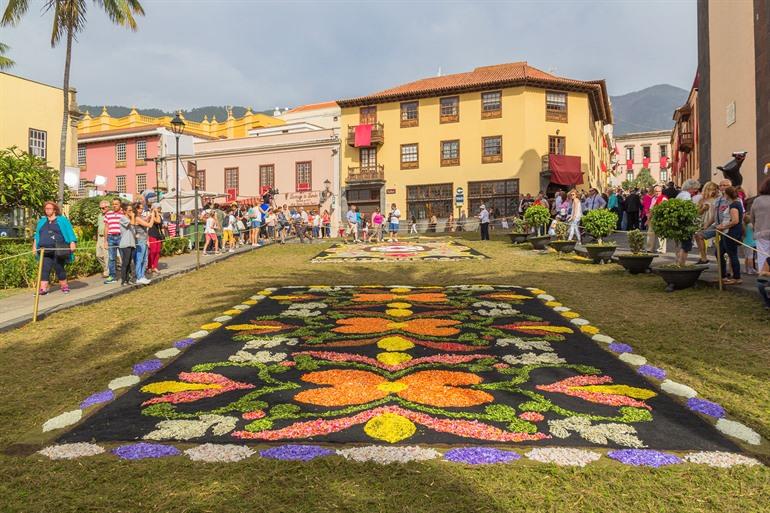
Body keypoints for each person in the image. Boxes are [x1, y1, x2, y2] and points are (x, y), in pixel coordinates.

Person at [32, 201, 77, 295]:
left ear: (55, 210)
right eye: (46, 208)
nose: (47, 210)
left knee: (59, 267)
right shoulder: (42, 221)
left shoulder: (62, 220)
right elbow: (37, 235)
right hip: (44, 250)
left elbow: (69, 231)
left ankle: (64, 286)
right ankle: (43, 289)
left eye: (49, 208)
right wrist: (34, 246)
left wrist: (72, 242)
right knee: (44, 269)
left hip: (58, 249)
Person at [716, 186, 744, 284]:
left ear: (727, 194)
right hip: (726, 232)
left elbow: (735, 221)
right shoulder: (734, 203)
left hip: (730, 233)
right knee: (718, 252)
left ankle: (737, 277)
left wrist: (723, 226)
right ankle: (723, 276)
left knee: (732, 254)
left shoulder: (734, 205)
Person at [694, 182, 719, 264]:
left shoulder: (719, 199)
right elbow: (697, 213)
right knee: (699, 236)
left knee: (718, 243)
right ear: (707, 190)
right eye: (712, 189)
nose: (713, 191)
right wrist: (703, 209)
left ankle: (721, 260)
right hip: (705, 222)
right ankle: (703, 257)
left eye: (715, 189)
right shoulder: (702, 200)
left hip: (716, 223)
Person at [750, 176, 770, 276]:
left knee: (762, 257)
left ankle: (762, 278)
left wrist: (756, 227)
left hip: (761, 232)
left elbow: (752, 217)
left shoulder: (757, 200)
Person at [132, 201, 152, 285]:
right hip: (140, 241)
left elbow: (145, 219)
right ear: (136, 209)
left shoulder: (140, 217)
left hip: (144, 240)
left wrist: (150, 215)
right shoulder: (136, 218)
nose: (142, 210)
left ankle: (142, 276)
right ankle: (139, 277)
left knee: (144, 259)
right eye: (141, 208)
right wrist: (153, 216)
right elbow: (149, 225)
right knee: (139, 259)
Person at [119, 204, 137, 285]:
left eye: (132, 210)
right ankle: (123, 280)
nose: (131, 212)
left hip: (131, 244)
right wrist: (133, 216)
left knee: (129, 263)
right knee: (125, 263)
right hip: (125, 244)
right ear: (124, 211)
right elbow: (132, 223)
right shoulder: (123, 218)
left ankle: (128, 279)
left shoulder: (130, 219)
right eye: (129, 210)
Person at [646, 185, 667, 253]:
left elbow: (665, 210)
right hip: (653, 217)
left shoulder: (664, 199)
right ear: (654, 192)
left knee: (661, 234)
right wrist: (648, 217)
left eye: (659, 191)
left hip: (660, 218)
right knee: (650, 233)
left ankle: (662, 249)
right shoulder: (653, 198)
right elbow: (651, 208)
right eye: (656, 191)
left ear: (661, 192)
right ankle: (650, 248)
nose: (657, 192)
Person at [147, 204, 164, 275]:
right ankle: (149, 266)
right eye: (158, 208)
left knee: (157, 251)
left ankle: (154, 266)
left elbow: (161, 226)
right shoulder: (151, 215)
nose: (160, 209)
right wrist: (155, 212)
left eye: (160, 208)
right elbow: (158, 221)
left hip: (158, 236)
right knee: (152, 251)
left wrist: (163, 235)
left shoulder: (160, 216)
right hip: (152, 234)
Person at [95, 200, 110, 278]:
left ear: (107, 207)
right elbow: (98, 226)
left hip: (106, 237)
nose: (101, 209)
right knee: (98, 255)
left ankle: (107, 271)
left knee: (106, 255)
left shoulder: (110, 215)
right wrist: (96, 236)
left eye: (103, 208)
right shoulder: (100, 215)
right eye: (100, 208)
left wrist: (106, 240)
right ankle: (107, 268)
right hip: (99, 237)